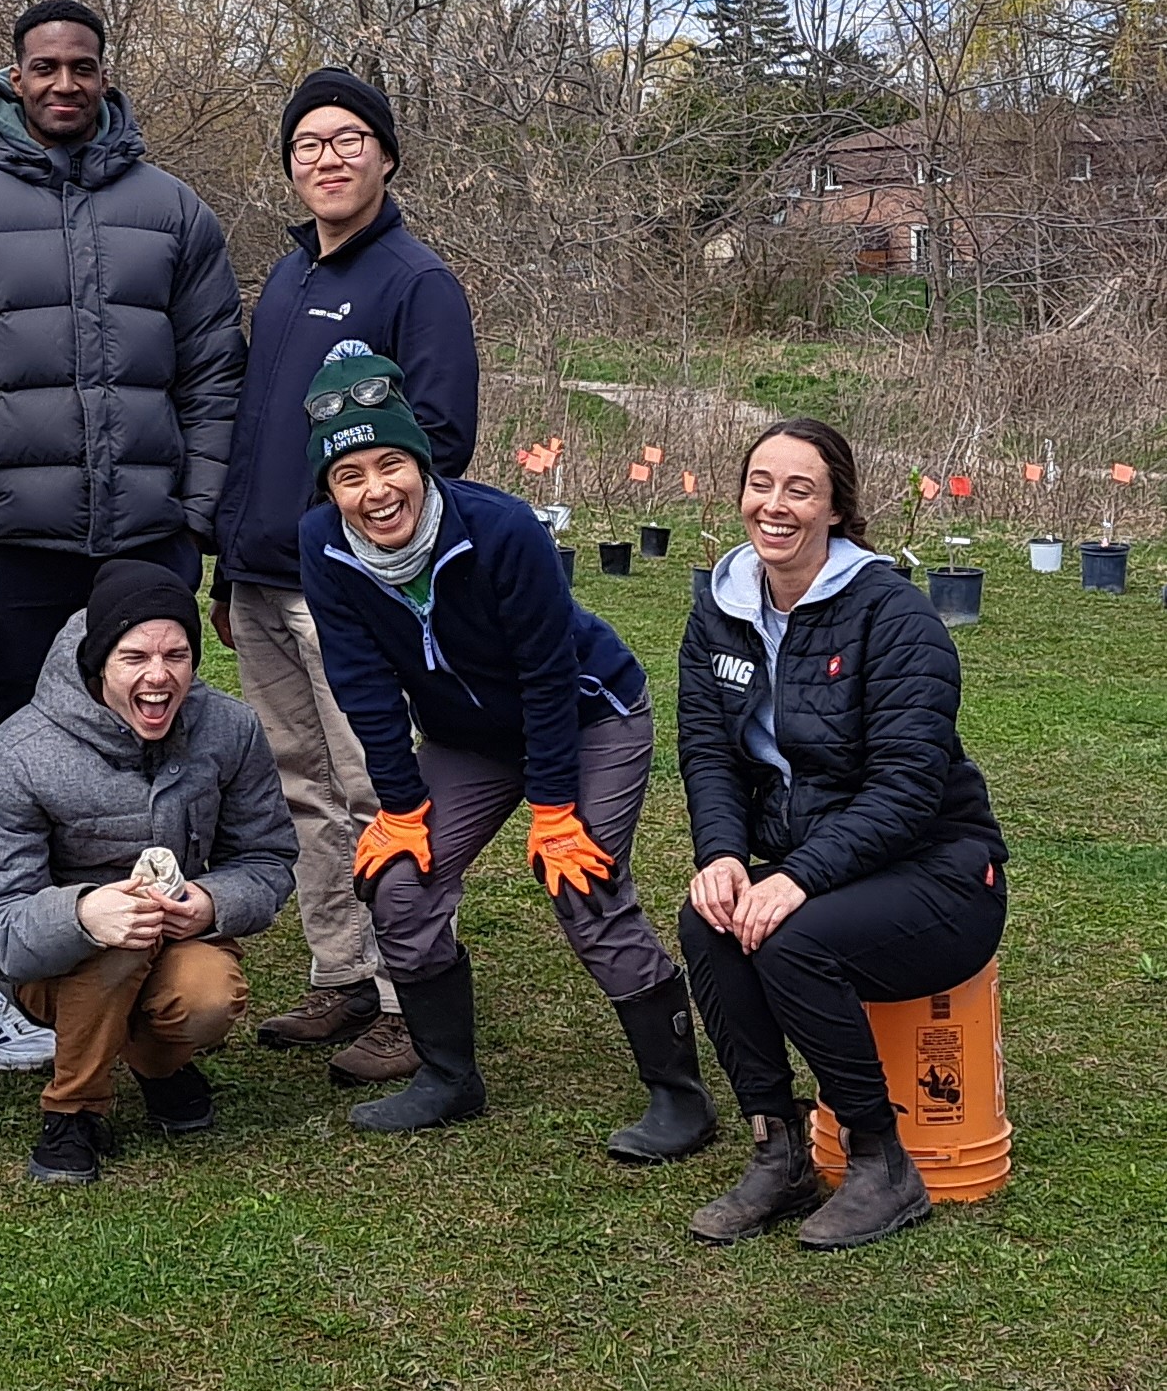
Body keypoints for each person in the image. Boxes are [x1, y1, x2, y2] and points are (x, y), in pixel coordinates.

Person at [0, 0, 244, 1072]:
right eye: (44, 67)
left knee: (158, 740)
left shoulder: (175, 211)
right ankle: (17, 971)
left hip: (145, 539)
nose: (63, 83)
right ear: (11, 79)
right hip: (15, 544)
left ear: (106, 75)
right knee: (5, 745)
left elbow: (213, 372)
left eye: (82, 66)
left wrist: (192, 514)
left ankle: (157, 941)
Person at [298, 341, 712, 1151]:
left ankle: (679, 1098)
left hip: (589, 716)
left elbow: (547, 675)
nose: (375, 491)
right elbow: (362, 685)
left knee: (581, 882)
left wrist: (555, 808)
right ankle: (448, 1078)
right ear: (329, 489)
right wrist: (400, 807)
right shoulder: (324, 545)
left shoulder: (502, 528)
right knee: (398, 886)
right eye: (349, 476)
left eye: (390, 464)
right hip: (468, 739)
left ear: (420, 463)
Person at [677, 419, 1007, 1252]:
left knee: (792, 941)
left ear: (834, 507)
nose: (773, 505)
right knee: (708, 921)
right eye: (760, 484)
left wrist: (796, 878)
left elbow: (906, 789)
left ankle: (880, 1161)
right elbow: (707, 752)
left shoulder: (894, 616)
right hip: (821, 866)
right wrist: (722, 856)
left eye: (799, 489)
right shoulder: (719, 608)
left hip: (940, 873)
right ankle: (777, 1150)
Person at [212, 69, 479, 1085]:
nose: (326, 158)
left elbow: (438, 441)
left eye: (346, 140)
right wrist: (228, 566)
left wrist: (359, 551)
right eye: (307, 144)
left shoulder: (415, 283)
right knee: (303, 787)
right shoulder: (286, 279)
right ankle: (344, 972)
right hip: (260, 581)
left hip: (351, 587)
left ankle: (414, 995)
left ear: (385, 156)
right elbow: (256, 437)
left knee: (378, 785)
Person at [0, 561, 297, 1186]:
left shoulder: (232, 728)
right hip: (51, 966)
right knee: (119, 943)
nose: (159, 676)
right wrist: (83, 914)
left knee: (208, 998)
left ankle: (157, 1064)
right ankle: (73, 1112)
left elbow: (268, 858)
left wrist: (211, 901)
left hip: (177, 943)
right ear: (98, 663)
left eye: (177, 656)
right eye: (134, 657)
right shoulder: (18, 751)